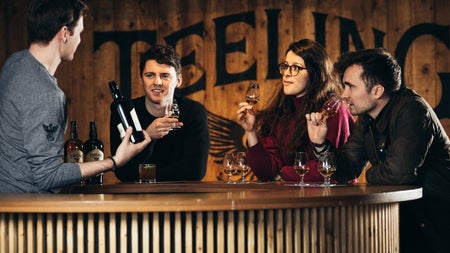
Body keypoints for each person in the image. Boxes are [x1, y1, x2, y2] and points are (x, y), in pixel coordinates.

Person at [306, 48, 450, 253]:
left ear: (377, 91)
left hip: (438, 223)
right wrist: (320, 143)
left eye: (350, 87)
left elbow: (398, 175)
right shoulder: (367, 118)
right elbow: (347, 168)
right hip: (406, 220)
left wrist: (371, 172)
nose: (344, 95)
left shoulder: (413, 110)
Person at [0, 0, 151, 193]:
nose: (79, 40)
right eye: (79, 33)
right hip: (29, 213)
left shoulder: (14, 63)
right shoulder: (47, 94)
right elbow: (48, 177)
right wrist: (114, 161)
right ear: (64, 34)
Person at [237, 39, 355, 182]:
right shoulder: (282, 109)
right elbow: (266, 172)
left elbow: (331, 168)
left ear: (314, 72)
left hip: (332, 199)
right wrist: (251, 132)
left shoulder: (332, 109)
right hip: (292, 197)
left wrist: (284, 174)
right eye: (285, 66)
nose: (286, 73)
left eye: (296, 68)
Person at [110, 44, 210, 182]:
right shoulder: (123, 112)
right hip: (136, 199)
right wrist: (148, 137)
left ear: (178, 80)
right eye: (150, 75)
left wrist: (143, 174)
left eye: (165, 76)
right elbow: (123, 172)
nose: (157, 82)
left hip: (182, 199)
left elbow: (195, 171)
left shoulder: (193, 112)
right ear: (141, 79)